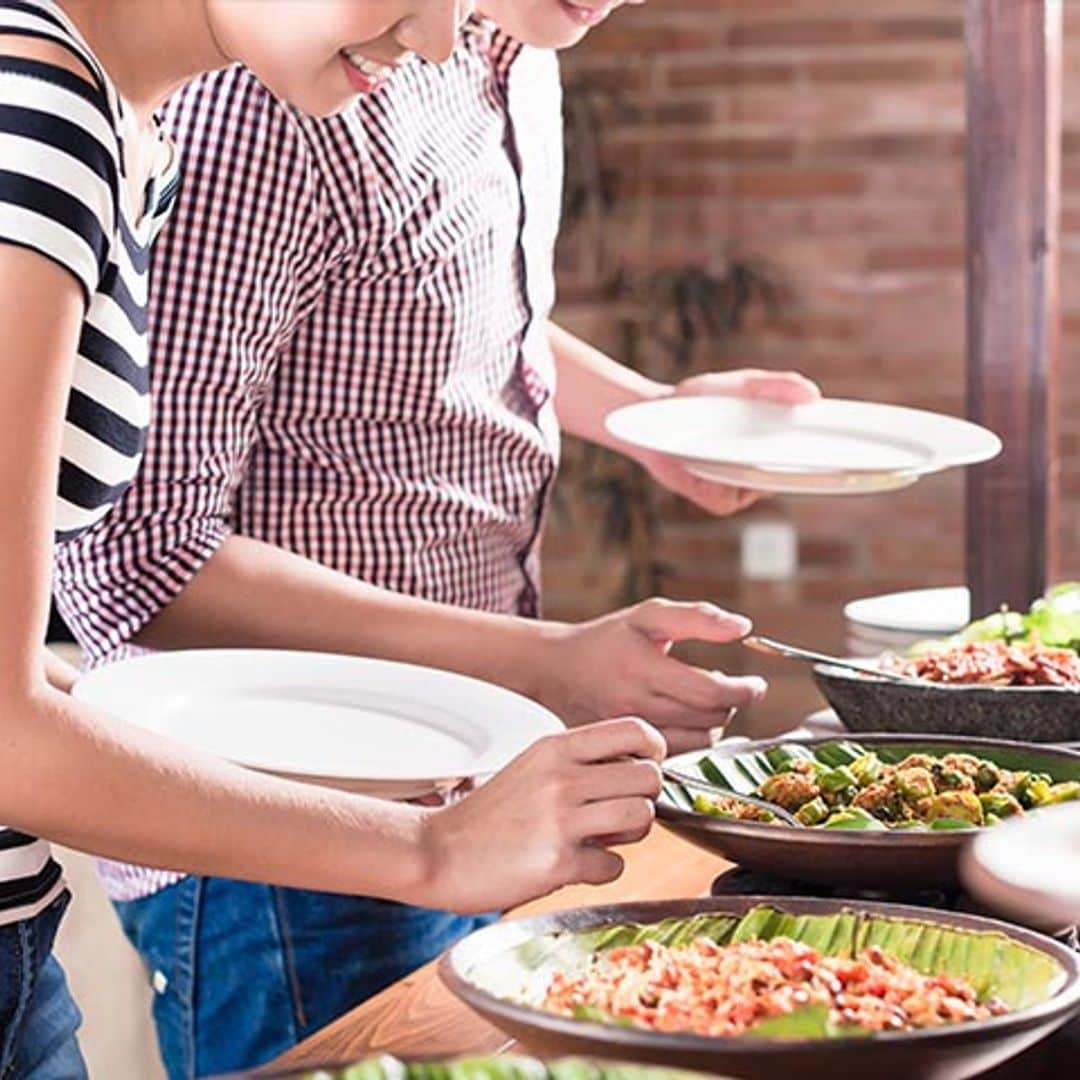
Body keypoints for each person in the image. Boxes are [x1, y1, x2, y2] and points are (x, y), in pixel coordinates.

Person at [53, 0, 821, 1075]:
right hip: (288, 837)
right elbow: (142, 560)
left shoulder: (512, 55)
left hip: (467, 795)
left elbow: (414, 296)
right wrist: (551, 663)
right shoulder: (272, 94)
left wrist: (645, 416)